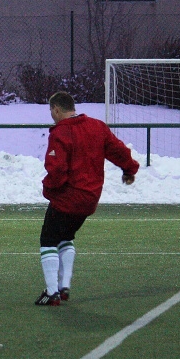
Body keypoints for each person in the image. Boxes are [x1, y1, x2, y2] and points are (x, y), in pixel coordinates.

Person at [35, 91, 139, 306]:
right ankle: (64, 287)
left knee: (48, 240)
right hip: (89, 199)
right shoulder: (97, 126)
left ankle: (52, 293)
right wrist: (129, 169)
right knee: (66, 237)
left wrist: (48, 189)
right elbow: (118, 150)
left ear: (56, 109)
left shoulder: (61, 132)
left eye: (51, 111)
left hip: (68, 198)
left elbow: (58, 169)